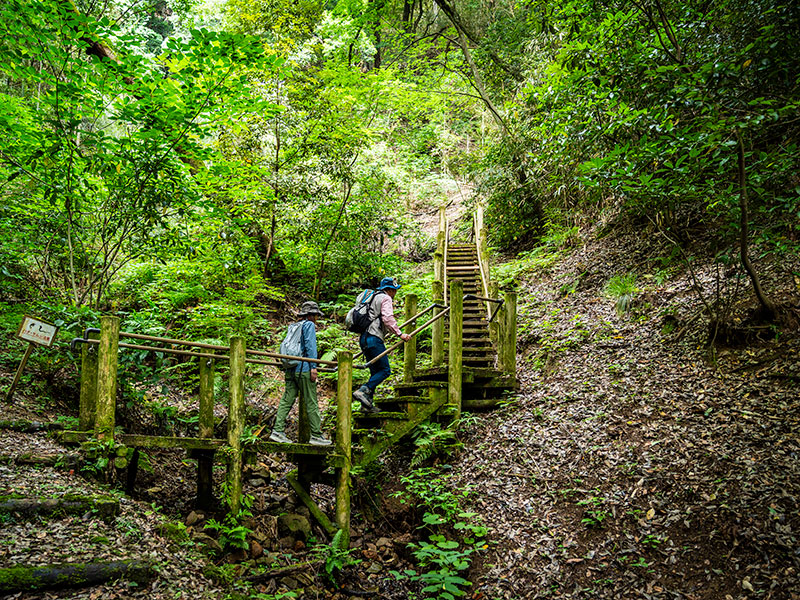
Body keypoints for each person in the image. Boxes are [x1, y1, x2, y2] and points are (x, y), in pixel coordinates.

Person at [269, 301, 331, 446]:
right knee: (311, 401)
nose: (316, 318)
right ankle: (316, 435)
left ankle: (277, 431)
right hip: (303, 369)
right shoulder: (309, 325)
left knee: (286, 400)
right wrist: (313, 366)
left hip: (291, 368)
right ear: (312, 315)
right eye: (316, 315)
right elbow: (310, 346)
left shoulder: (293, 326)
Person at [352, 277, 411, 412]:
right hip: (374, 338)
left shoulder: (372, 297)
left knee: (375, 372)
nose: (395, 293)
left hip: (364, 339)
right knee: (385, 370)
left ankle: (366, 406)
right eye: (394, 290)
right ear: (389, 290)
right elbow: (387, 318)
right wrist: (400, 334)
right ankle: (363, 390)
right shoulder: (385, 298)